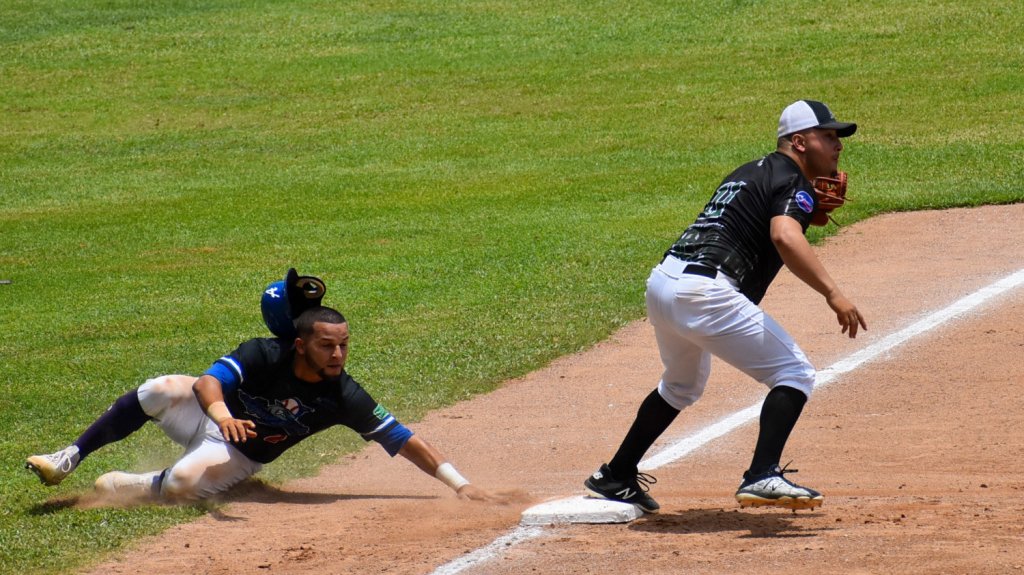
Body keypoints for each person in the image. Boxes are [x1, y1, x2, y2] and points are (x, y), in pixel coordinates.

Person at [583, 100, 867, 513]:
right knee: (794, 373)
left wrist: (798, 209)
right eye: (828, 136)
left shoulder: (748, 171)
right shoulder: (792, 182)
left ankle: (617, 474)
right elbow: (785, 237)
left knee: (681, 385)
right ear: (799, 142)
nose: (837, 145)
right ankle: (762, 474)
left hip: (665, 283)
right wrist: (833, 294)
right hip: (704, 293)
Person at [26, 270, 494, 503]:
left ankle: (144, 484)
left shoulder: (342, 396)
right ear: (299, 344)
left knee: (182, 485)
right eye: (328, 346)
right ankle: (71, 455)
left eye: (344, 346)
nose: (338, 355)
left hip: (242, 452)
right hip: (213, 419)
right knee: (158, 388)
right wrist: (223, 415)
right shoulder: (263, 352)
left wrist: (461, 485)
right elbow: (210, 382)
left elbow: (402, 439)